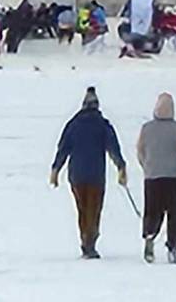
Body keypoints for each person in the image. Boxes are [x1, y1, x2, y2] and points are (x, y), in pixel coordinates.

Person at [51, 86, 128, 259]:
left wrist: (56, 169)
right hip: (96, 175)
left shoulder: (73, 124)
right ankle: (90, 242)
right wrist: (121, 167)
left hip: (76, 175)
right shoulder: (103, 125)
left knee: (82, 209)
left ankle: (86, 241)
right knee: (94, 209)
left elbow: (63, 148)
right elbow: (113, 148)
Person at [136, 92, 176, 265]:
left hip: (152, 178)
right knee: (174, 214)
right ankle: (172, 247)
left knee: (152, 210)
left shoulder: (146, 129)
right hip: (173, 179)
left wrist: (147, 166)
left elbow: (140, 151)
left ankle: (149, 236)